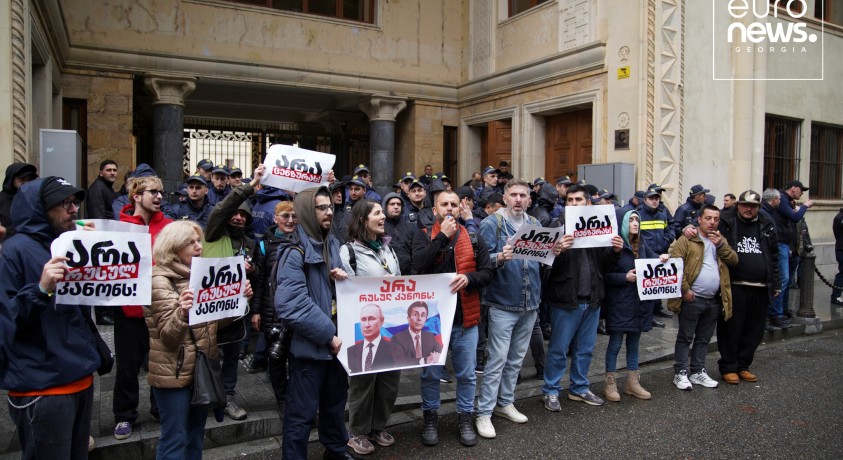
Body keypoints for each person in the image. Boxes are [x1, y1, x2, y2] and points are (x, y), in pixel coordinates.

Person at [0, 176, 99, 459]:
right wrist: (41, 289)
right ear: (39, 209)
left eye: (75, 202)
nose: (73, 209)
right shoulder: (14, 252)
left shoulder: (67, 243)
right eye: (64, 203)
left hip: (79, 377)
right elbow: (6, 321)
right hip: (43, 387)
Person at [148, 220, 253, 459]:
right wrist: (183, 312)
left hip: (200, 368)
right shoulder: (159, 280)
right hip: (173, 374)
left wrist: (239, 300)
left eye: (199, 241)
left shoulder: (199, 274)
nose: (199, 246)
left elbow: (211, 323)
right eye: (191, 242)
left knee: (195, 435)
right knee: (175, 438)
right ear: (173, 247)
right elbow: (168, 336)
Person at [274, 185, 354, 460]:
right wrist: (329, 335)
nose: (329, 211)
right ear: (308, 211)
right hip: (311, 349)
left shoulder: (331, 243)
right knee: (301, 415)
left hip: (336, 347)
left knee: (335, 405)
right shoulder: (294, 252)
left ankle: (335, 451)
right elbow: (292, 304)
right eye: (321, 207)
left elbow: (326, 292)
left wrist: (339, 280)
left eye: (330, 206)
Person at [411, 189, 494, 447]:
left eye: (454, 204)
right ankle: (430, 417)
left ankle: (465, 417)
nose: (449, 208)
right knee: (430, 374)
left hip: (465, 321)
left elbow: (488, 272)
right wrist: (442, 238)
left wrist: (469, 278)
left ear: (460, 209)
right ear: (434, 210)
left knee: (467, 375)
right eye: (444, 204)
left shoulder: (473, 236)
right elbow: (418, 265)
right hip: (432, 322)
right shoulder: (423, 235)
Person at [541, 185, 623, 412]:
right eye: (570, 200)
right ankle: (551, 390)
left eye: (578, 200)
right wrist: (559, 252)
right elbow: (545, 268)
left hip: (593, 299)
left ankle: (579, 387)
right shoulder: (556, 227)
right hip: (565, 299)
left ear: (588, 203)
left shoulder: (598, 225)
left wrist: (615, 251)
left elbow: (605, 264)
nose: (574, 203)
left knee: (585, 349)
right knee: (558, 349)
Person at [474, 180, 544, 439]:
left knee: (516, 359)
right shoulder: (491, 223)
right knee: (497, 359)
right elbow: (479, 261)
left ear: (529, 199)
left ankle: (505, 402)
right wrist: (498, 258)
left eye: (522, 195)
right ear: (504, 198)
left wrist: (555, 251)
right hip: (502, 302)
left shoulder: (534, 224)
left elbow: (541, 261)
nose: (518, 199)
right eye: (513, 194)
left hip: (530, 301)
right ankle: (484, 412)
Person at [339, 199, 402, 455]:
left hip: (390, 325)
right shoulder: (349, 252)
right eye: (377, 213)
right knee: (363, 382)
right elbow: (347, 289)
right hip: (361, 327)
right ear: (363, 220)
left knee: (389, 381)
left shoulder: (389, 250)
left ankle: (378, 427)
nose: (383, 216)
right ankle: (357, 432)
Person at [203, 166, 266, 421]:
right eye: (235, 214)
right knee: (208, 355)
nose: (238, 218)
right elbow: (221, 210)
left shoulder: (249, 244)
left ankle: (227, 397)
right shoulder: (213, 234)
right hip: (210, 309)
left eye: (243, 215)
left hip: (237, 311)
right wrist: (248, 187)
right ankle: (206, 396)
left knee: (231, 356)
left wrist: (252, 270)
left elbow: (259, 273)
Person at [113, 174, 173, 440]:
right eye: (153, 192)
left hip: (161, 308)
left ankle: (160, 410)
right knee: (127, 367)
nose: (159, 197)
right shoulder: (118, 229)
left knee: (161, 364)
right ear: (136, 196)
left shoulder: (169, 227)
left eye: (161, 192)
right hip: (129, 311)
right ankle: (124, 416)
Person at [668, 205, 738, 391]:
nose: (712, 222)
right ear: (699, 219)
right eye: (708, 218)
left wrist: (720, 245)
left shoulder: (719, 240)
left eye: (716, 219)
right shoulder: (688, 238)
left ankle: (697, 371)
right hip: (693, 298)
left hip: (713, 299)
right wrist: (685, 290)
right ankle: (680, 372)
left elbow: (734, 260)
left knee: (704, 338)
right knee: (685, 337)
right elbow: (675, 263)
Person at [716, 190, 780, 385]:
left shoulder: (767, 224)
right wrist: (688, 228)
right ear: (738, 205)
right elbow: (701, 227)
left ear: (758, 208)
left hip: (760, 287)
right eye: (745, 205)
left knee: (754, 331)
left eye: (753, 206)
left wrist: (775, 283)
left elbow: (774, 256)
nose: (748, 209)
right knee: (732, 329)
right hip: (735, 286)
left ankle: (743, 365)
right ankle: (729, 366)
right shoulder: (726, 221)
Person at [603, 210, 666, 402]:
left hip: (639, 304)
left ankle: (632, 383)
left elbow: (654, 259)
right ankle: (610, 383)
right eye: (630, 220)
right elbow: (604, 275)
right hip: (620, 303)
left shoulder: (642, 244)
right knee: (615, 344)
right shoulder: (615, 245)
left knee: (634, 345)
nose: (635, 223)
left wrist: (663, 258)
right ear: (623, 223)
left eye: (637, 219)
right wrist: (625, 277)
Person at [251, 200, 298, 416]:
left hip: (296, 309)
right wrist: (256, 311)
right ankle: (282, 398)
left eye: (294, 216)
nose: (290, 220)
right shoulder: (264, 245)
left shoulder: (302, 241)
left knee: (296, 358)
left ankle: (296, 396)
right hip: (272, 311)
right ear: (275, 218)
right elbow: (260, 281)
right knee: (276, 360)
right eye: (285, 216)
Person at [771, 180, 814, 325]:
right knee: (783, 279)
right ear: (793, 188)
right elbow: (795, 218)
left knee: (788, 280)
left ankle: (783, 309)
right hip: (781, 243)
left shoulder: (787, 201)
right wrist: (805, 206)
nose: (802, 193)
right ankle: (776, 313)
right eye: (801, 190)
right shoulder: (782, 198)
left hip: (789, 245)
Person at [638, 186, 675, 326]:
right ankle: (648, 316)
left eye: (657, 198)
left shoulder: (662, 214)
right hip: (646, 257)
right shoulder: (638, 214)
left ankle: (654, 312)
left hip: (660, 255)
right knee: (647, 287)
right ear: (645, 200)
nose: (654, 201)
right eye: (651, 198)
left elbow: (668, 228)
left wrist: (668, 240)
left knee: (657, 286)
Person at [0, 162, 38, 241]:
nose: (26, 183)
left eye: (29, 180)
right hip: (7, 243)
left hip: (32, 242)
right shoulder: (2, 199)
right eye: (22, 179)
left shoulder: (36, 199)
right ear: (11, 179)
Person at [382, 192, 416, 275]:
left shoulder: (409, 227)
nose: (396, 207)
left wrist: (413, 272)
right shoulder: (380, 227)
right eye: (392, 204)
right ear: (385, 207)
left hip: (409, 274)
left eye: (398, 204)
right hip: (387, 275)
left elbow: (415, 252)